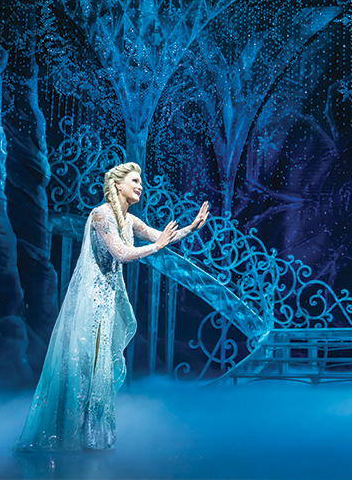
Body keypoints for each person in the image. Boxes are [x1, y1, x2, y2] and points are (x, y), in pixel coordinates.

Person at [16, 162, 209, 451]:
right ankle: (65, 434)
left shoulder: (129, 220)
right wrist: (156, 248)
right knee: (83, 367)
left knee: (100, 369)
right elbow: (121, 253)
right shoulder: (101, 214)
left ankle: (91, 436)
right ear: (117, 185)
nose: (140, 186)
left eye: (140, 182)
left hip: (108, 303)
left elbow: (158, 236)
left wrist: (191, 228)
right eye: (135, 181)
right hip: (91, 302)